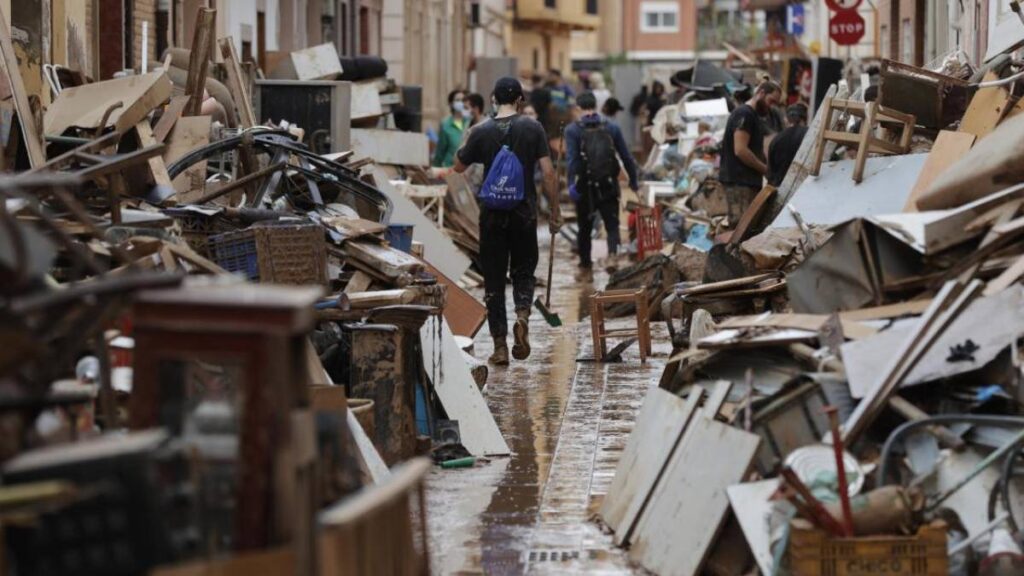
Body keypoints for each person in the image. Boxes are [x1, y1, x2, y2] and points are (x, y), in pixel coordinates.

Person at [455, 77, 560, 366]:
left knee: (493, 281)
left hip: (491, 216)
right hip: (524, 213)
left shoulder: (481, 131)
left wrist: (468, 143)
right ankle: (523, 317)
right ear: (520, 100)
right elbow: (548, 174)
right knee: (524, 271)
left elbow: (459, 165)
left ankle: (500, 347)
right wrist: (555, 210)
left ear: (493, 99)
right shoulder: (533, 128)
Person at [566, 92, 639, 270]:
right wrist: (633, 181)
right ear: (596, 106)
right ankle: (613, 256)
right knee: (612, 224)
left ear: (578, 108)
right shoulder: (612, 127)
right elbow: (626, 157)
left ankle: (585, 267)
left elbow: (573, 161)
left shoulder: (572, 130)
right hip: (608, 184)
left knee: (585, 228)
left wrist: (571, 185)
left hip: (585, 186)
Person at [719, 79, 781, 224]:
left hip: (746, 182)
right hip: (739, 182)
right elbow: (740, 150)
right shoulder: (745, 114)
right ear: (761, 93)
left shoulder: (752, 116)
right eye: (771, 101)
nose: (771, 107)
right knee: (739, 228)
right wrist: (765, 169)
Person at [767, 103, 808, 187]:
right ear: (805, 118)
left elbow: (771, 171)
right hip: (803, 188)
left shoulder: (776, 139)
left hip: (780, 189)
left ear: (786, 119)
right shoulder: (811, 135)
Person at [432, 89, 467, 167]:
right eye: (457, 100)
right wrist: (435, 168)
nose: (461, 103)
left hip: (466, 168)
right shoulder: (446, 124)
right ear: (451, 103)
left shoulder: (469, 122)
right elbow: (440, 150)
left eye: (463, 100)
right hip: (450, 167)